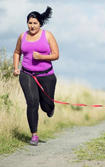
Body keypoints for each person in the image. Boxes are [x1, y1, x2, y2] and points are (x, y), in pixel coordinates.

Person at [13, 6, 59, 146]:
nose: (32, 26)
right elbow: (17, 52)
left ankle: (50, 108)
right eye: (30, 23)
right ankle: (34, 135)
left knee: (46, 105)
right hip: (27, 74)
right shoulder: (23, 36)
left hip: (46, 75)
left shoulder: (48, 35)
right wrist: (16, 68)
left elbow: (56, 55)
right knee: (32, 102)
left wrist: (41, 57)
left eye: (35, 23)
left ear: (40, 24)